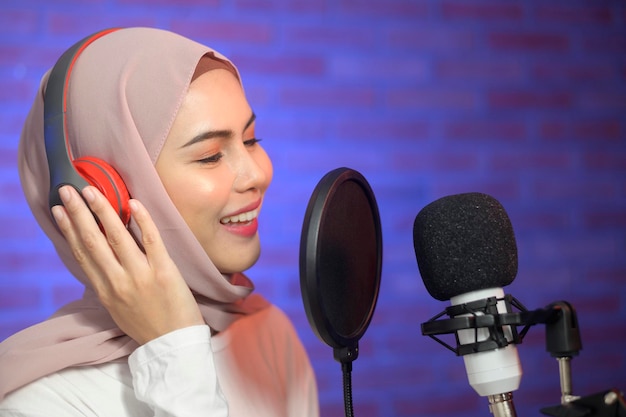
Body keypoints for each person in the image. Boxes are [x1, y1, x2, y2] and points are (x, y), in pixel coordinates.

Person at [0, 27, 319, 416]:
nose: (257, 175)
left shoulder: (269, 334)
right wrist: (174, 349)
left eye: (252, 140)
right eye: (210, 156)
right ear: (102, 193)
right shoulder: (41, 402)